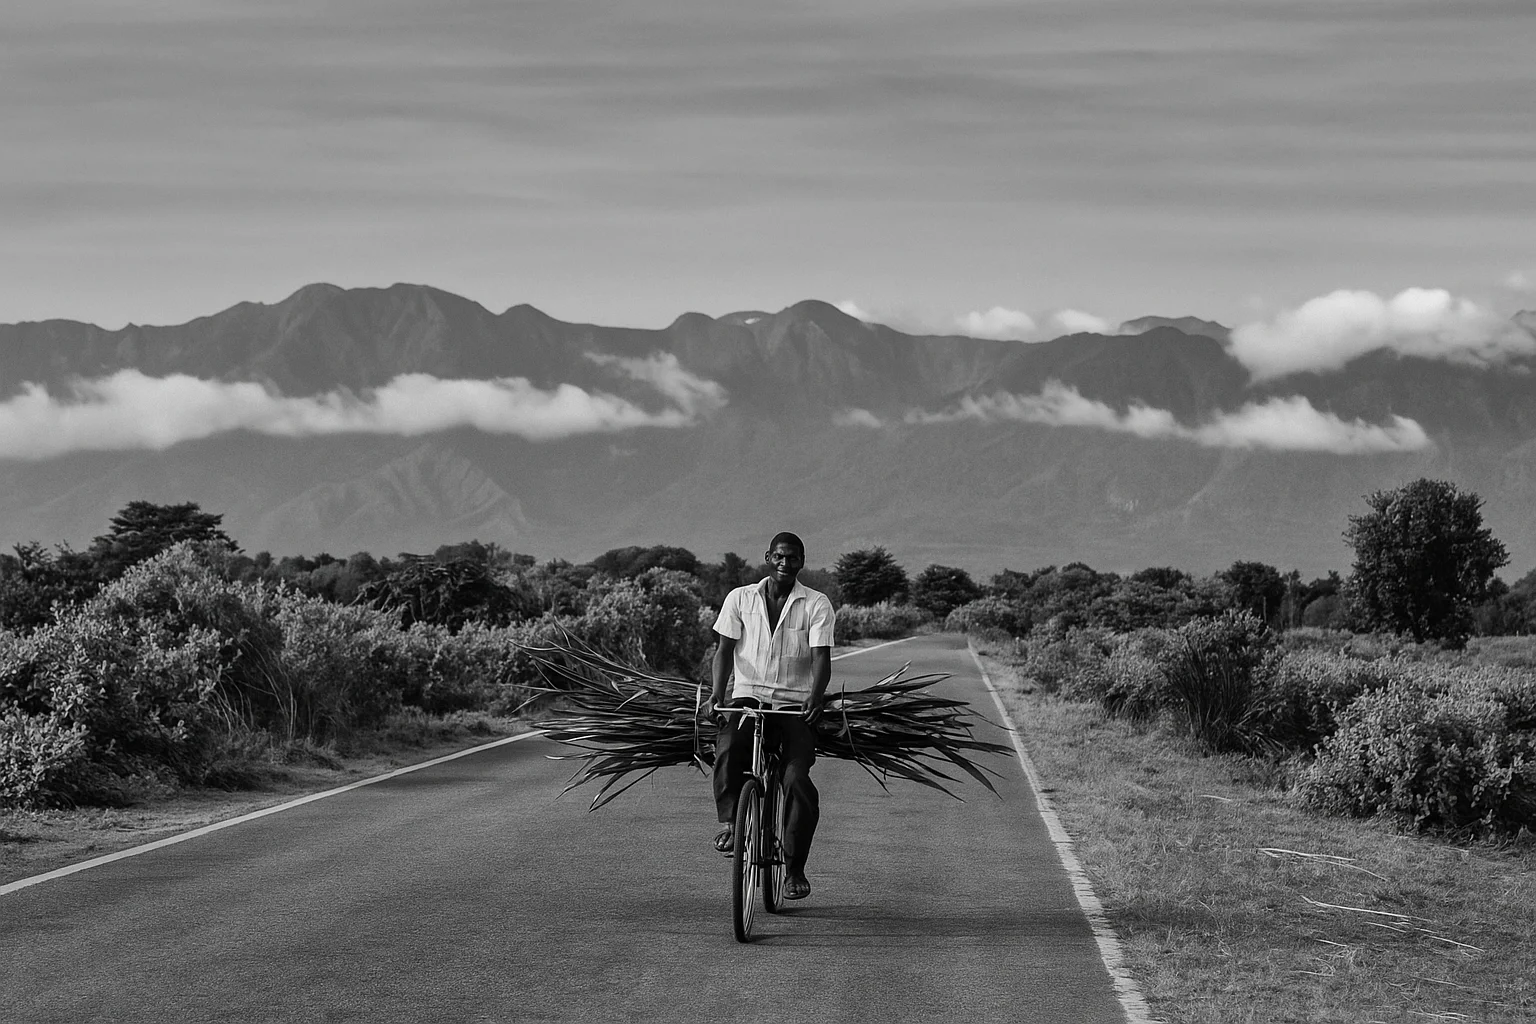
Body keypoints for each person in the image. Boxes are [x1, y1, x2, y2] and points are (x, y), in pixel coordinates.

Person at [708, 531, 835, 901]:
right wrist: (718, 694)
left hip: (794, 704)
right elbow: (724, 650)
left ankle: (795, 869)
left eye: (793, 558)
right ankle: (734, 823)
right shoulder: (740, 598)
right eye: (779, 556)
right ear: (768, 557)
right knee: (729, 744)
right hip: (748, 698)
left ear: (801, 562)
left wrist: (816, 697)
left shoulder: (816, 604)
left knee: (796, 779)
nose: (785, 563)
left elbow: (821, 658)